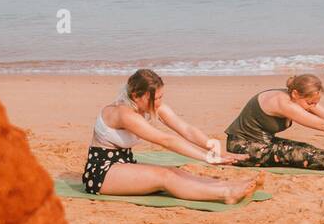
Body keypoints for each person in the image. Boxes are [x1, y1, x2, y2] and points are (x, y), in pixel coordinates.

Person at [83, 68, 263, 203]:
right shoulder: (123, 113)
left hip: (123, 163)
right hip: (101, 173)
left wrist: (215, 149)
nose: (159, 102)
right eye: (155, 98)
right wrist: (206, 158)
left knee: (174, 171)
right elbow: (166, 140)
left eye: (161, 97)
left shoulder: (149, 106)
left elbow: (186, 129)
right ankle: (226, 194)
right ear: (136, 96)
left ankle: (228, 185)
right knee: (165, 177)